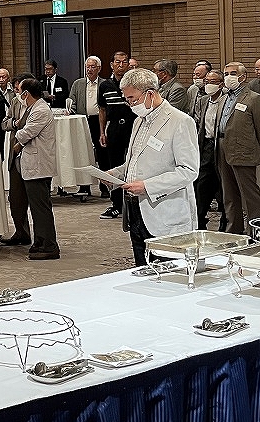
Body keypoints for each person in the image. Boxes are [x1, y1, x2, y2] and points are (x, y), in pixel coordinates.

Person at [107, 68, 199, 266]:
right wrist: (115, 174)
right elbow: (135, 161)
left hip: (165, 210)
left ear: (150, 93)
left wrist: (148, 186)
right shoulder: (138, 121)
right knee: (142, 269)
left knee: (168, 271)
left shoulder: (180, 121)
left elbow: (189, 170)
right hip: (135, 209)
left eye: (132, 99)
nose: (130, 104)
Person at [10, 79, 60, 259]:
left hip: (39, 165)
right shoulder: (33, 108)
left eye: (20, 91)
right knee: (36, 207)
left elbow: (25, 133)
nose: (18, 95)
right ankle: (39, 241)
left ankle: (49, 246)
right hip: (32, 164)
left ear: (26, 94)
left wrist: (17, 132)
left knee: (41, 207)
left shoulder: (40, 110)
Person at [217, 62, 260, 235]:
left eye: (232, 73)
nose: (228, 77)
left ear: (243, 76)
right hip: (222, 147)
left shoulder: (253, 98)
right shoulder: (223, 98)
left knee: (249, 194)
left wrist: (255, 151)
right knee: (229, 194)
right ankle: (234, 230)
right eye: (226, 74)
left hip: (243, 150)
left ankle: (254, 230)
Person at [97, 52, 135, 220]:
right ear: (111, 64)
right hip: (113, 128)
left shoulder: (134, 83)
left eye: (124, 62)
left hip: (132, 125)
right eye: (117, 62)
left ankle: (134, 203)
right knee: (114, 164)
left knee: (133, 163)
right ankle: (117, 204)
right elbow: (102, 109)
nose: (121, 65)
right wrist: (102, 132)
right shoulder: (105, 85)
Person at [1, 73, 35, 246]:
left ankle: (42, 238)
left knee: (35, 200)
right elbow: (4, 123)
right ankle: (21, 232)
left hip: (32, 155)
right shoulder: (14, 102)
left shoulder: (37, 105)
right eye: (15, 89)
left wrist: (21, 125)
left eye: (19, 90)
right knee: (15, 198)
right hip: (15, 155)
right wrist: (14, 123)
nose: (17, 93)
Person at [192, 70, 228, 231]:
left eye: (212, 82)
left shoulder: (227, 100)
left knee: (223, 186)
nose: (208, 85)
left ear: (221, 84)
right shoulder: (203, 100)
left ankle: (226, 222)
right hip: (206, 146)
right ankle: (199, 221)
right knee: (202, 184)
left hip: (221, 145)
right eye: (206, 82)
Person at [68, 56, 106, 196]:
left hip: (99, 122)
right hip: (82, 121)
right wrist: (70, 110)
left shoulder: (104, 84)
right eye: (87, 67)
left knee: (102, 154)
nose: (89, 69)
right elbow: (71, 101)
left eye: (93, 67)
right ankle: (84, 187)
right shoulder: (78, 83)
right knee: (82, 153)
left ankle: (104, 187)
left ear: (99, 68)